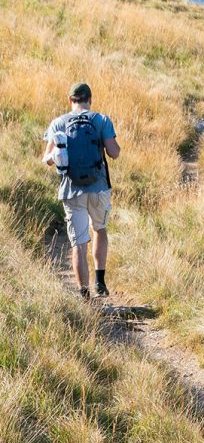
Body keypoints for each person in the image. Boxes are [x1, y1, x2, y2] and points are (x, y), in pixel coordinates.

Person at [42, 82, 120, 300]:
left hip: (71, 190)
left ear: (70, 100)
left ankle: (84, 295)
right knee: (100, 229)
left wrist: (56, 154)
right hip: (99, 187)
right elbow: (114, 153)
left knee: (78, 243)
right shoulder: (101, 120)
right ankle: (100, 281)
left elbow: (47, 160)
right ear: (90, 99)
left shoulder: (58, 123)